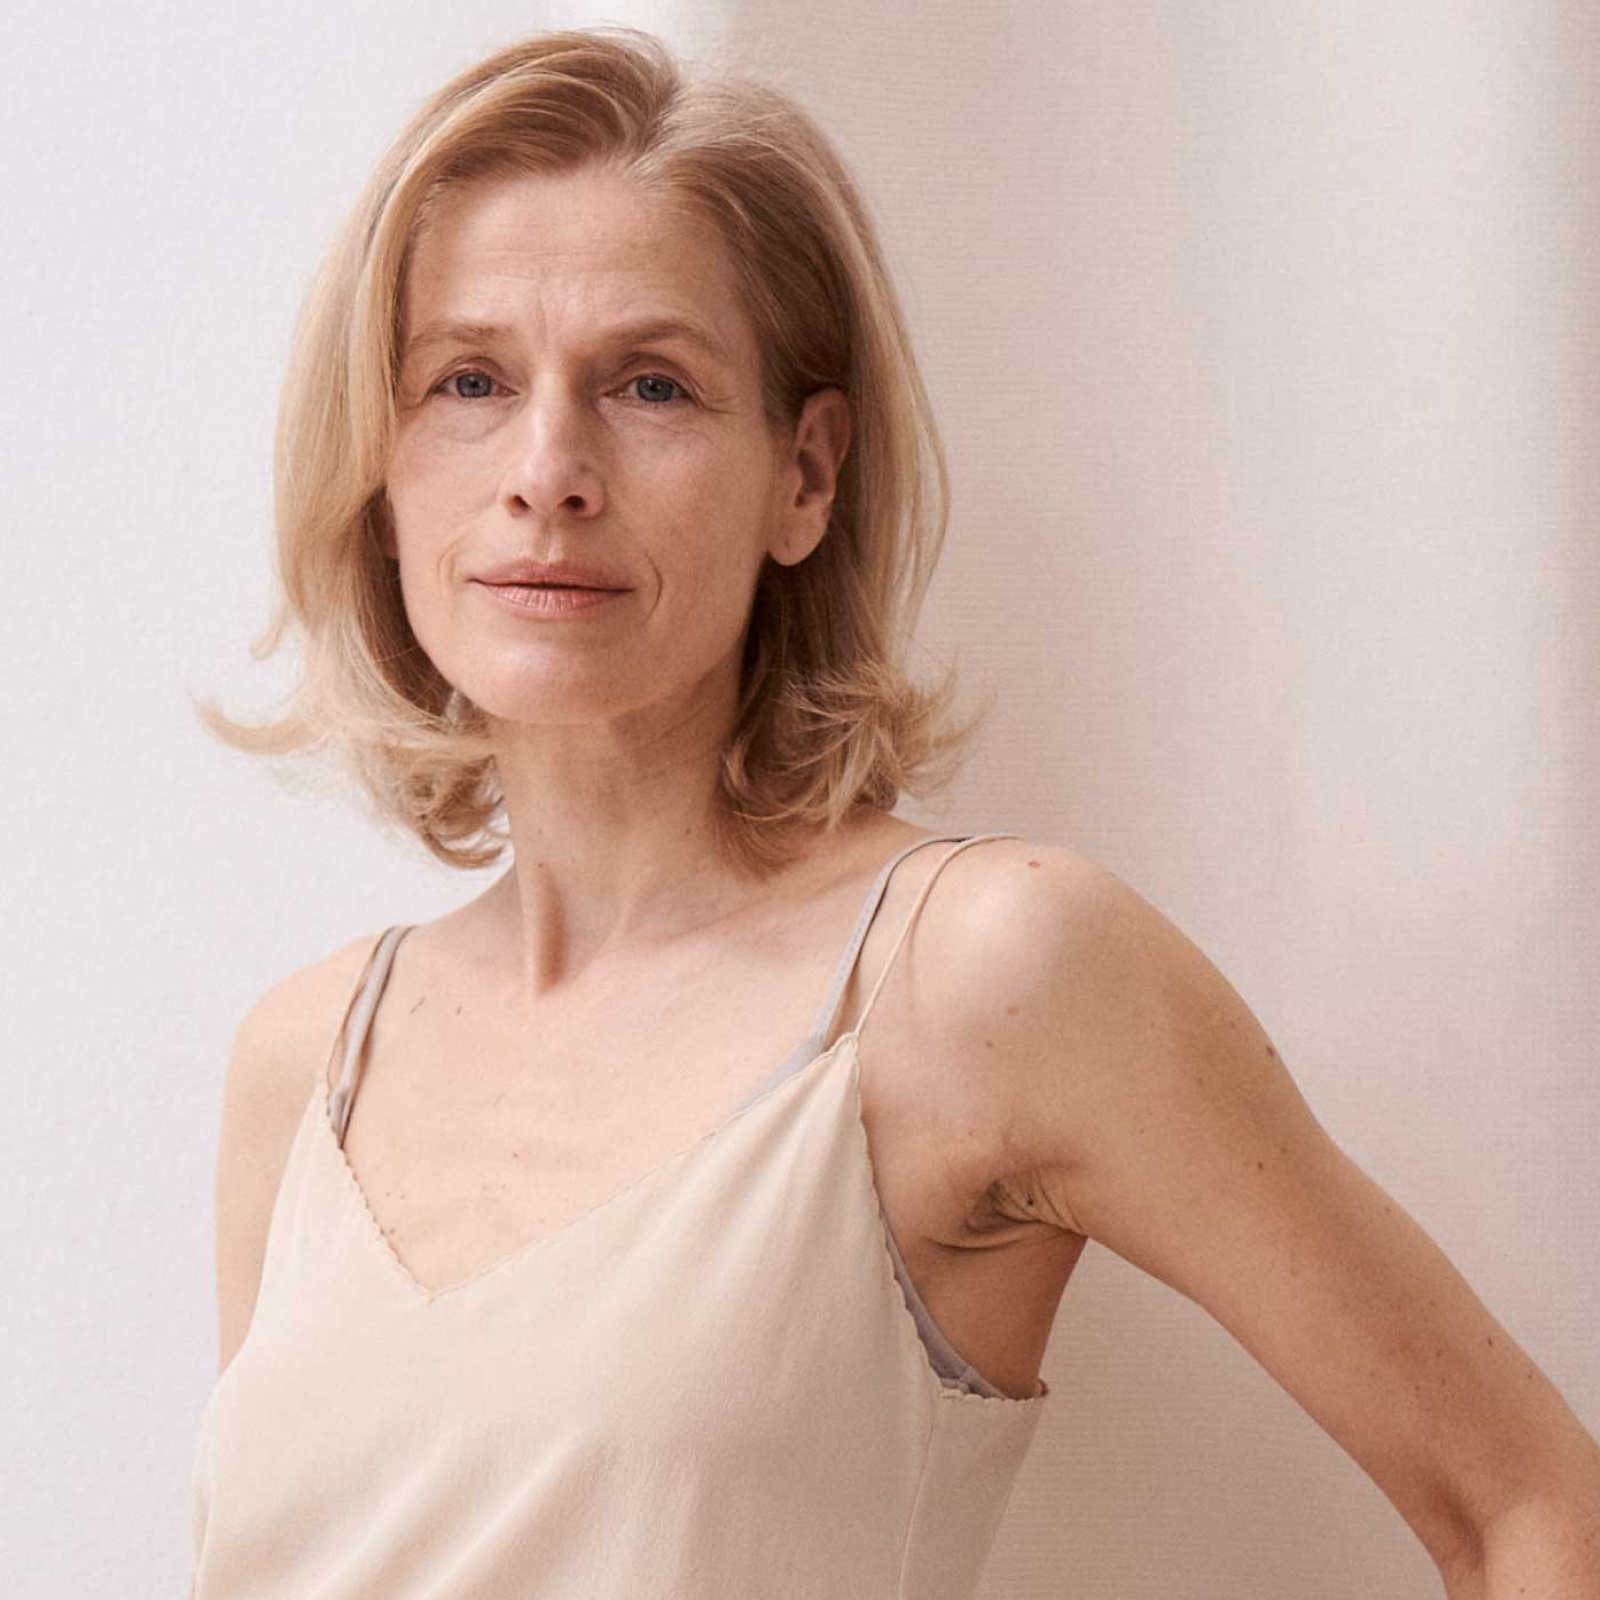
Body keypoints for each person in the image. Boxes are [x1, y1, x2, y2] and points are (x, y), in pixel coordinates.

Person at [185, 24, 1600, 1600]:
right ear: (380, 471)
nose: (548, 470)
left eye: (650, 384)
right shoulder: (306, 1060)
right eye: (469, 381)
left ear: (806, 475)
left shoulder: (982, 974)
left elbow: (1534, 1509)